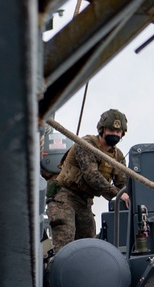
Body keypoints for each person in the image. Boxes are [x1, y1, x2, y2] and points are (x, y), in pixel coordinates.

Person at [48, 109, 131, 254]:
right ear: (102, 130)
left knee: (88, 245)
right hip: (64, 197)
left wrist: (127, 194)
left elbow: (122, 183)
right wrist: (118, 194)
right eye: (111, 130)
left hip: (85, 202)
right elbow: (91, 176)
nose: (115, 134)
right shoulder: (85, 145)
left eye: (118, 132)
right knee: (65, 239)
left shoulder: (117, 156)